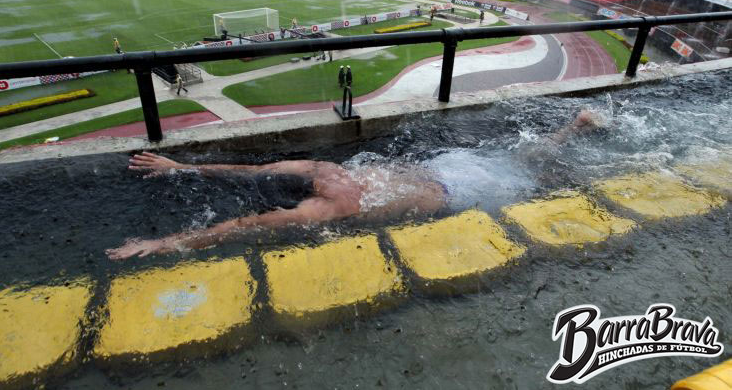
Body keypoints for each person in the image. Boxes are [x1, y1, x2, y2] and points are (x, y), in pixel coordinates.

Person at [105, 110, 605, 260]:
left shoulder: (326, 190)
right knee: (526, 165)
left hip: (454, 180)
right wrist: (178, 173)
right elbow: (251, 202)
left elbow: (249, 200)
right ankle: (575, 132)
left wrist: (179, 179)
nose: (304, 175)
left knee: (526, 165)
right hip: (455, 182)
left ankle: (576, 135)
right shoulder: (329, 191)